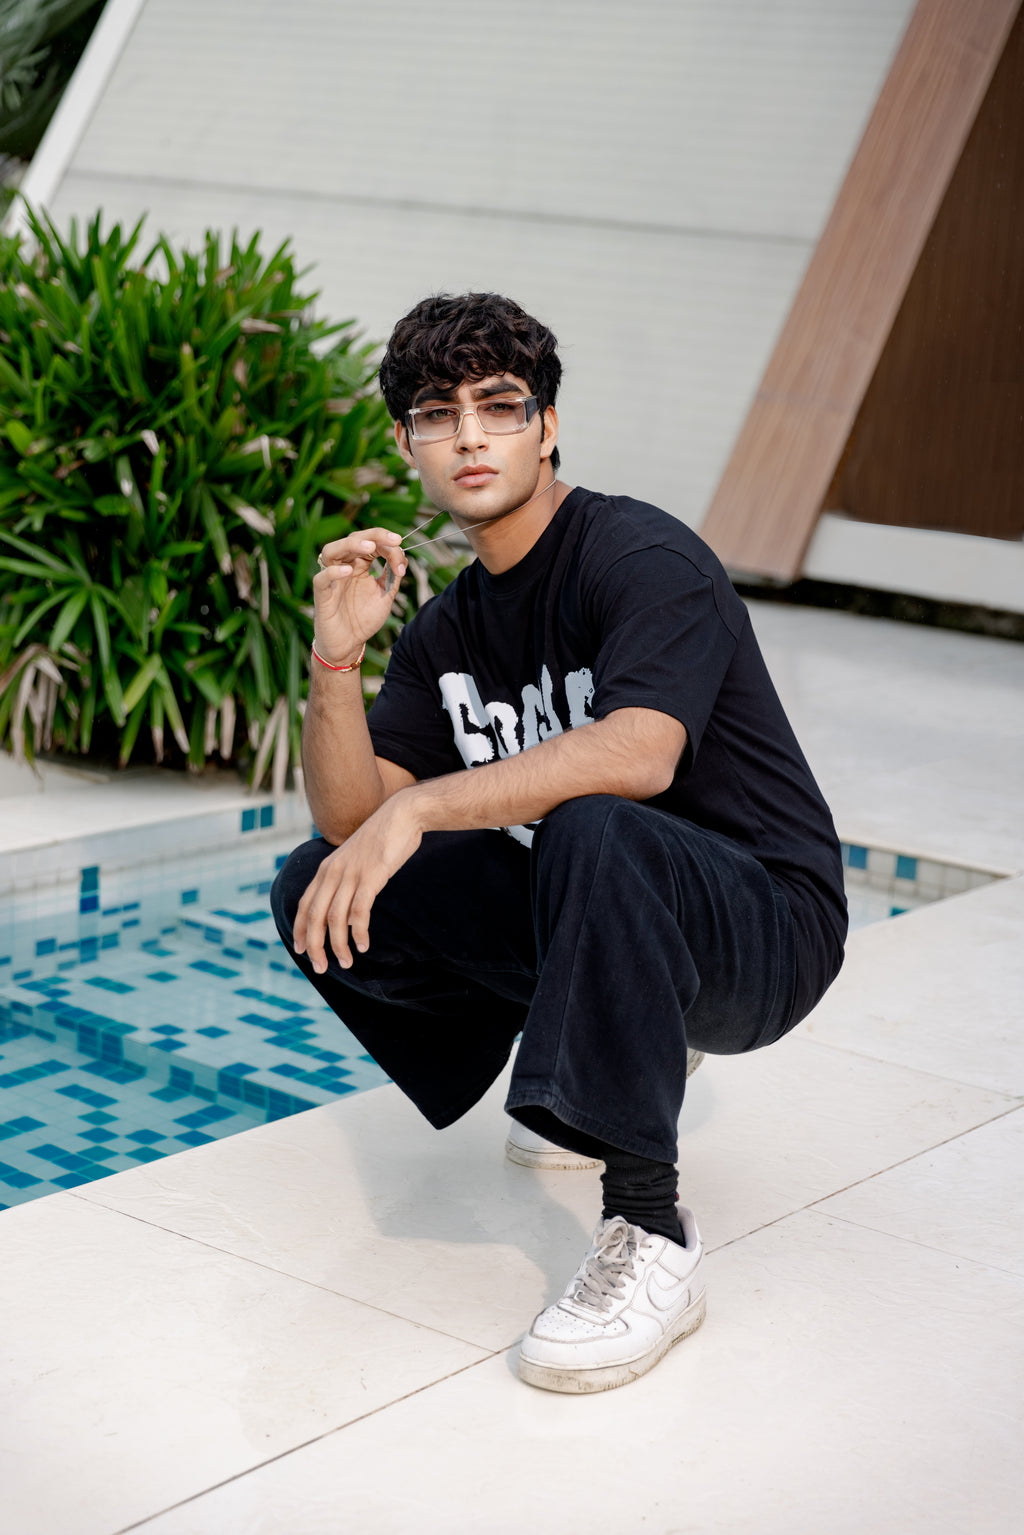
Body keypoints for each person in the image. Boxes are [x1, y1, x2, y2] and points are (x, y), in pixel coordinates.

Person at [271, 291, 847, 1394]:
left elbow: (637, 754)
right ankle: (610, 1040)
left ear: (547, 425)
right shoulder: (448, 627)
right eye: (439, 414)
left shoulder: (638, 555)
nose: (472, 435)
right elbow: (351, 820)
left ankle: (651, 1234)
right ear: (407, 443)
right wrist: (334, 661)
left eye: (500, 405)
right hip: (610, 895)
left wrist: (423, 804)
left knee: (594, 822)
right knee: (319, 884)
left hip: (767, 923)